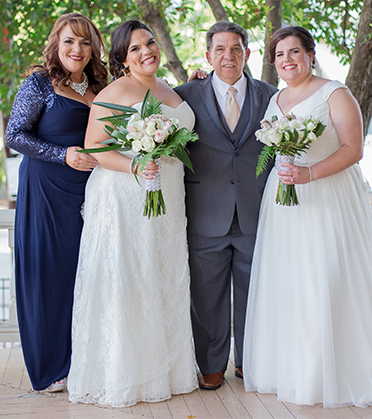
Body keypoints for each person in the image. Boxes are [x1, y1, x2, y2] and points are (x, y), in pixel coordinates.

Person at [67, 20, 199, 407]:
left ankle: (166, 369)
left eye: (151, 43)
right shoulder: (115, 91)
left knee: (161, 273)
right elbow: (94, 147)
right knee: (131, 277)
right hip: (126, 196)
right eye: (136, 48)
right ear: (123, 59)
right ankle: (126, 374)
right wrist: (136, 167)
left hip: (167, 197)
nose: (147, 52)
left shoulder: (168, 88)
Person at [242, 26, 372, 407]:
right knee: (291, 281)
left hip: (328, 197)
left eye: (294, 52)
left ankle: (329, 372)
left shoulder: (335, 92)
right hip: (284, 204)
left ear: (310, 55)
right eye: (280, 55)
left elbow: (354, 149)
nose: (287, 60)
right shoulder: (276, 98)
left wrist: (310, 174)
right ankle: (292, 369)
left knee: (326, 277)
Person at [4, 13, 108, 392]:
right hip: (47, 191)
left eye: (84, 42)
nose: (77, 49)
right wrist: (62, 154)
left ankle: (82, 359)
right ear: (56, 44)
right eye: (69, 41)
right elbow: (15, 135)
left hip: (91, 194)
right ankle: (51, 368)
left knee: (83, 274)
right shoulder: (39, 84)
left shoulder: (101, 85)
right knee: (50, 275)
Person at [174, 21, 277, 390]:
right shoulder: (184, 95)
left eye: (236, 48)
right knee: (206, 296)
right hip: (205, 210)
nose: (228, 56)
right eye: (220, 49)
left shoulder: (272, 96)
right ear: (207, 55)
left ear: (248, 54)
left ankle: (250, 361)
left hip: (256, 208)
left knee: (256, 292)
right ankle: (211, 364)